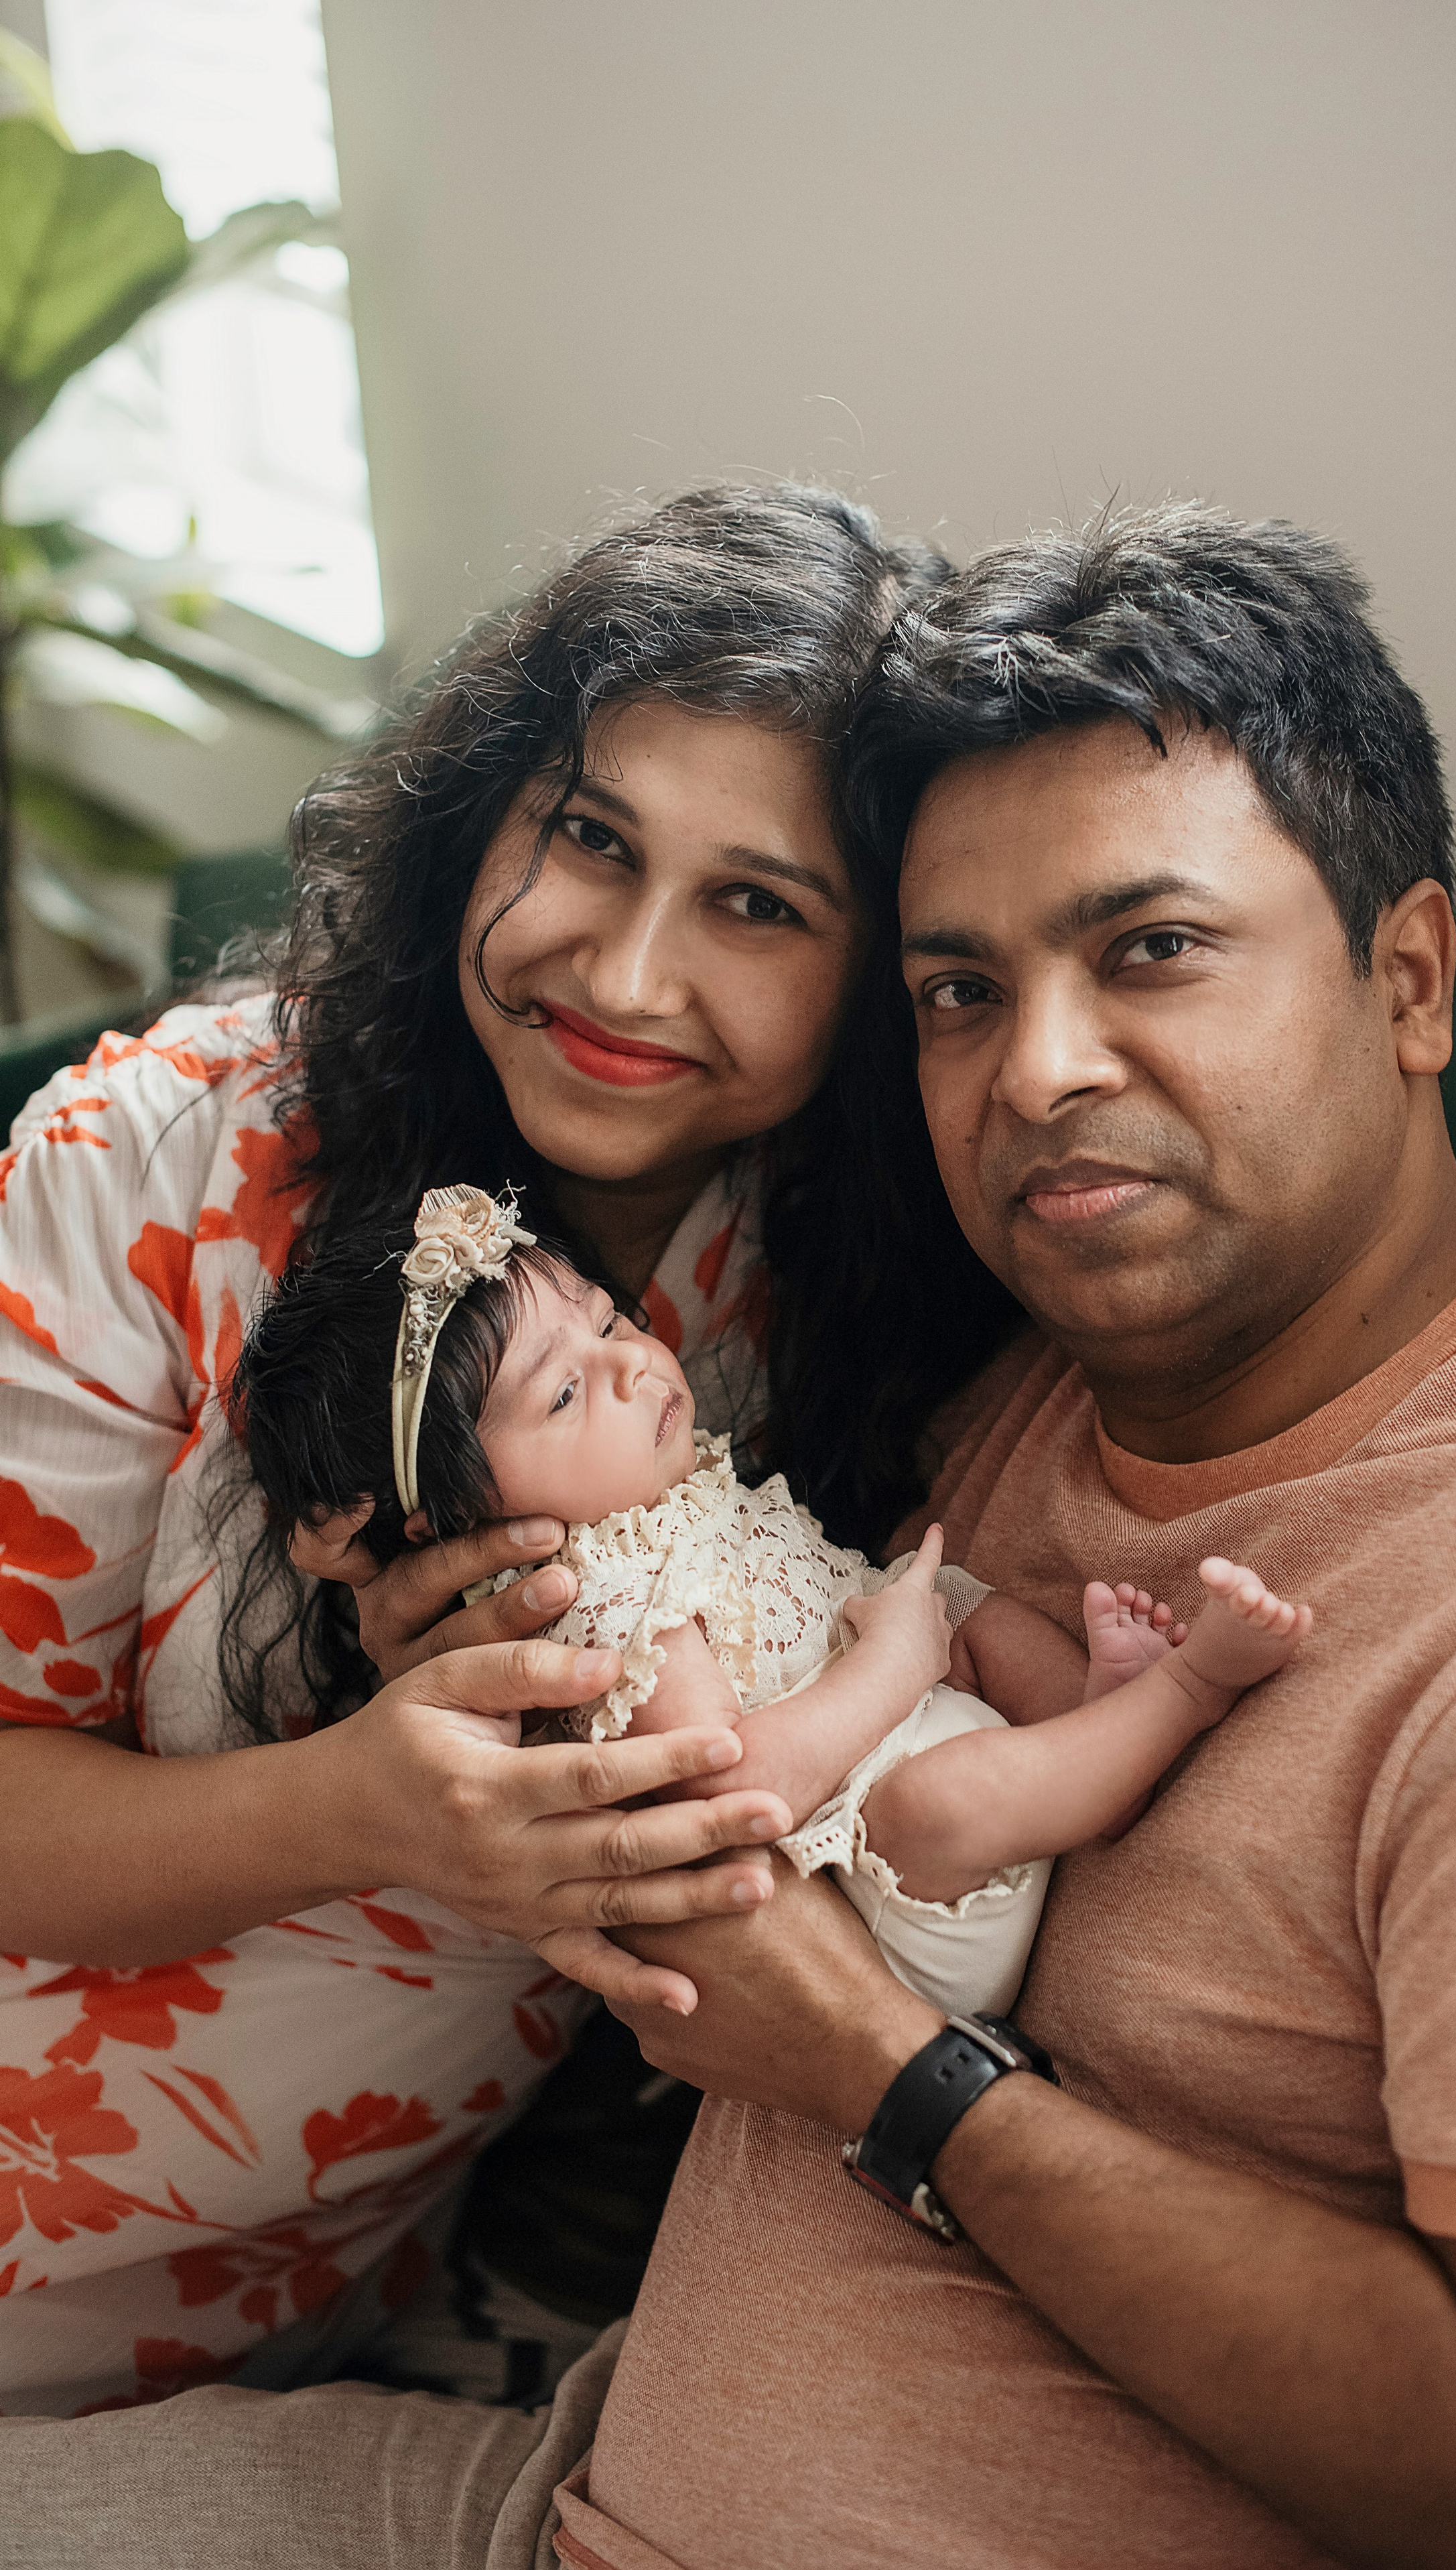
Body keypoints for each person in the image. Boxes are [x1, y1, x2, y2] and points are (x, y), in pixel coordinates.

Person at [6, 503, 1456, 2570]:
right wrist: (371, 1790)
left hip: (436, 2343)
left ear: (1411, 976)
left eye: (1151, 948)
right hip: (411, 2399)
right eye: (964, 990)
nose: (1044, 1071)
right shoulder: (975, 1339)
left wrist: (884, 2065)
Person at [0, 483, 1020, 2418]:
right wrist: (354, 1806)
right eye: (588, 836)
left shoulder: (865, 1279)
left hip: (305, 2306)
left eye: (758, 904)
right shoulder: (156, 1160)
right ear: (484, 814)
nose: (624, 975)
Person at [233, 1183, 1309, 2018]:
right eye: (561, 1394)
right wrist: (897, 1664)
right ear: (446, 1517)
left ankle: (1092, 1710)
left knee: (967, 1605)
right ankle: (1181, 1696)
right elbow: (732, 1792)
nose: (629, 1369)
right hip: (894, 1893)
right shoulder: (592, 1602)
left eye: (609, 1324)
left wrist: (912, 1642)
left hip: (900, 1714)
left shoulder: (666, 1490)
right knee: (943, 1789)